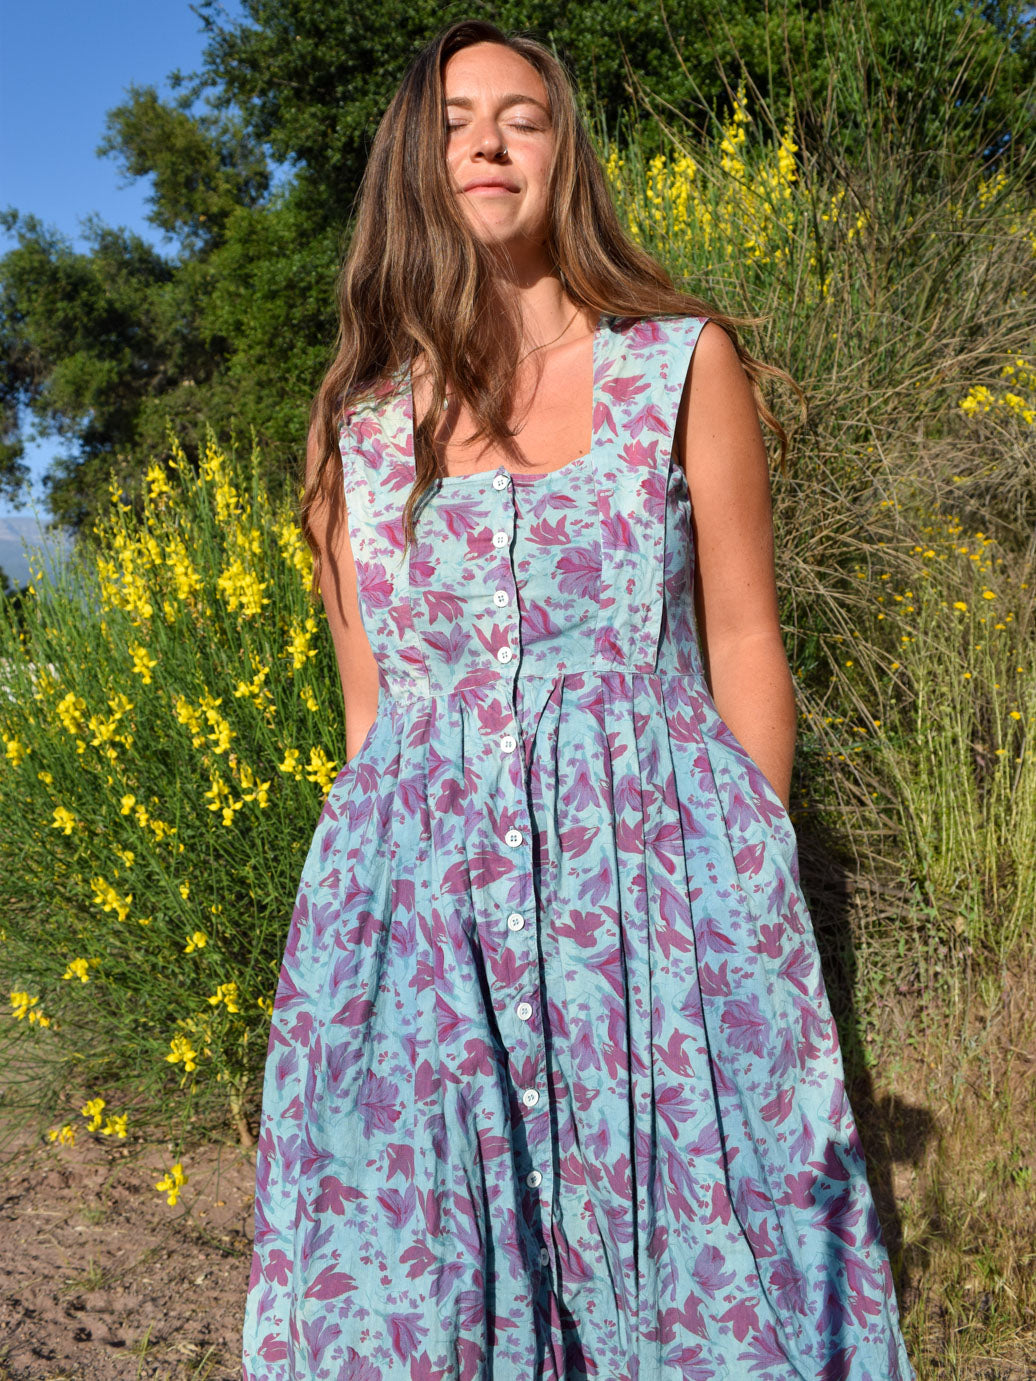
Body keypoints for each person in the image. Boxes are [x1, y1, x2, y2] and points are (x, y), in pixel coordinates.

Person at [241, 18, 915, 1381]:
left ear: (563, 153)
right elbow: (372, 719)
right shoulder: (355, 434)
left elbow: (741, 637)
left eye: (521, 115)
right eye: (452, 120)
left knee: (696, 1261)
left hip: (654, 894)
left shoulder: (676, 364)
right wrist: (352, 965)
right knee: (417, 1288)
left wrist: (744, 881)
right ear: (412, 168)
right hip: (421, 928)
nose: (486, 140)